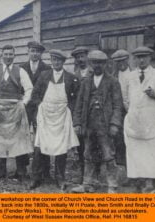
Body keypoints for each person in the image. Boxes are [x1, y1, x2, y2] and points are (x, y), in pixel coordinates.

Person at [123, 46, 155, 193]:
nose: (141, 60)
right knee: (137, 154)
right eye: (138, 57)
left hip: (152, 120)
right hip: (134, 121)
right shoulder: (130, 77)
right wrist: (133, 112)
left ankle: (153, 185)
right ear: (134, 59)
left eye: (144, 57)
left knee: (153, 153)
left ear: (150, 58)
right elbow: (125, 98)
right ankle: (140, 185)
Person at [72, 50, 123, 193]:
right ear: (90, 64)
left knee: (108, 154)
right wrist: (77, 123)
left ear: (105, 64)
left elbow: (118, 105)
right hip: (88, 124)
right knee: (88, 154)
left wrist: (114, 124)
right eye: (94, 62)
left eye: (100, 62)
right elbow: (79, 104)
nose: (97, 65)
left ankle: (112, 185)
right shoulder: (86, 82)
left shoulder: (113, 82)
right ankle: (88, 183)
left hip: (105, 124)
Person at [29, 49, 80, 190]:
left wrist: (70, 110)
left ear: (63, 62)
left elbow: (76, 98)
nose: (56, 62)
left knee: (61, 148)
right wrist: (40, 107)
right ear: (51, 61)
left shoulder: (71, 78)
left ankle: (60, 178)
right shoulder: (44, 76)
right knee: (39, 147)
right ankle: (36, 178)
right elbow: (35, 95)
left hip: (62, 116)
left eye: (58, 60)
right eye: (53, 60)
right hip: (45, 116)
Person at [0, 44, 33, 181]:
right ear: (1, 55)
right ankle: (0, 171)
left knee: (19, 138)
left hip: (15, 107)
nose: (8, 57)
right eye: (6, 54)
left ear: (14, 56)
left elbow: (29, 88)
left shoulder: (20, 71)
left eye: (11, 54)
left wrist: (24, 103)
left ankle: (21, 171)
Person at [20, 41, 52, 180]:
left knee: (42, 136)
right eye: (32, 51)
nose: (35, 53)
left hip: (39, 107)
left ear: (41, 54)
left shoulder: (46, 68)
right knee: (21, 135)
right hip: (25, 107)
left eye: (37, 51)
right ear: (28, 52)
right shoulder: (21, 68)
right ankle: (21, 169)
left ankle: (45, 170)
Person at [71, 46, 90, 185]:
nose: (80, 59)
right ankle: (82, 173)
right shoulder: (74, 75)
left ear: (87, 57)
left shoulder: (94, 72)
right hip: (79, 114)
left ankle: (93, 174)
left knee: (94, 144)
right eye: (78, 57)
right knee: (81, 144)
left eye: (82, 56)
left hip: (92, 113)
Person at [111, 49, 132, 166]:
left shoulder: (135, 74)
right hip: (119, 112)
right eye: (118, 62)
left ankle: (135, 166)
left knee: (133, 138)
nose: (121, 64)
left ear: (127, 60)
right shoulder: (113, 76)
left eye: (123, 61)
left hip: (132, 111)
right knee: (119, 139)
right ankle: (121, 166)